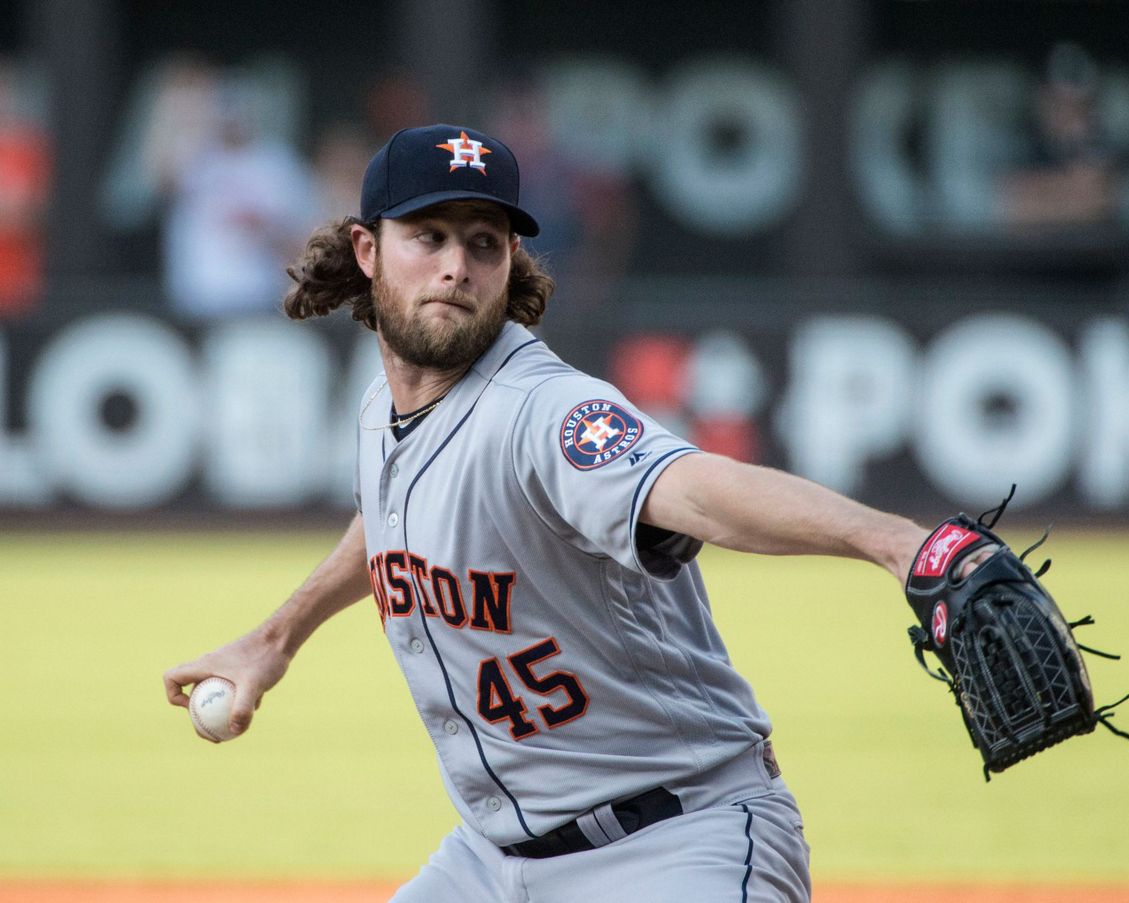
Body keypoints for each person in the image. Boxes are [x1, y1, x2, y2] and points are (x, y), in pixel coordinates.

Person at [163, 123, 974, 902]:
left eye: (484, 242)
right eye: (429, 236)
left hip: (672, 846)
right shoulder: (388, 408)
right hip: (490, 860)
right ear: (367, 250)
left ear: (511, 263)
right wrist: (275, 639)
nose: (456, 266)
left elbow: (694, 486)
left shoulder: (546, 412)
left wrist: (896, 542)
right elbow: (392, 519)